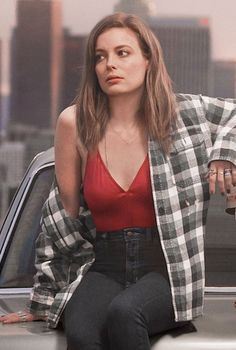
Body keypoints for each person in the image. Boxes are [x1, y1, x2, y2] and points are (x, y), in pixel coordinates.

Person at [1, 12, 236, 350]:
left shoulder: (186, 114)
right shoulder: (75, 122)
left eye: (122, 53)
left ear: (147, 59)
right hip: (104, 265)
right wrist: (44, 301)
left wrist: (225, 153)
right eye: (100, 56)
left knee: (125, 315)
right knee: (80, 332)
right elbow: (62, 223)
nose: (109, 64)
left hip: (167, 268)